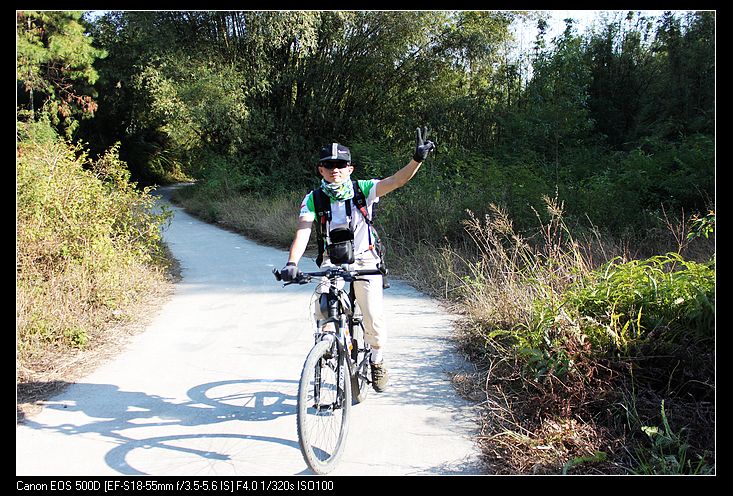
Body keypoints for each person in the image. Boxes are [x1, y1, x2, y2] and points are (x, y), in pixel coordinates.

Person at [280, 127, 436, 392]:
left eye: (340, 165)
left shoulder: (363, 189)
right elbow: (303, 232)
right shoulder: (314, 198)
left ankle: (376, 359)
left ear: (350, 169)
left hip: (365, 261)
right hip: (332, 262)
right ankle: (327, 345)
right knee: (323, 307)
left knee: (372, 316)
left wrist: (416, 160)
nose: (335, 170)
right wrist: (292, 263)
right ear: (321, 170)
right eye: (329, 165)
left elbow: (396, 181)